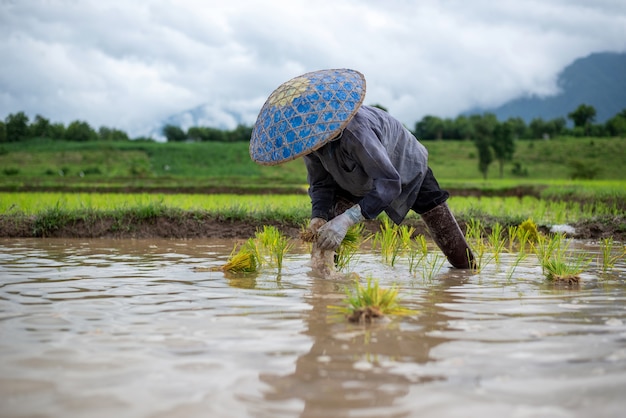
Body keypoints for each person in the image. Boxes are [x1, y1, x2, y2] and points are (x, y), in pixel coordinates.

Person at [250, 68, 474, 269]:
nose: (312, 145)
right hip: (349, 177)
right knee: (327, 233)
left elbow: (388, 182)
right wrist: (318, 216)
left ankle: (467, 273)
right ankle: (324, 284)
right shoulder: (310, 143)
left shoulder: (356, 133)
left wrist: (347, 220)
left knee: (441, 224)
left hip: (401, 164)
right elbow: (320, 184)